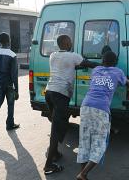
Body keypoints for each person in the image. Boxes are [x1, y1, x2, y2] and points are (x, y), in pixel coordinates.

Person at [43, 35, 99, 175]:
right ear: (67, 43)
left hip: (49, 93)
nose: (72, 43)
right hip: (60, 95)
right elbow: (88, 63)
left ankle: (54, 152)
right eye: (70, 41)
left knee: (56, 124)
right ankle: (49, 165)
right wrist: (104, 65)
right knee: (57, 129)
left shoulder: (53, 56)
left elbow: (71, 66)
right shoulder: (73, 56)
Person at [76, 51, 129, 180]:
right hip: (101, 109)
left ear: (103, 61)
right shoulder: (118, 72)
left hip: (85, 106)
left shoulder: (96, 70)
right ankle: (83, 174)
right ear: (115, 62)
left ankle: (82, 175)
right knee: (100, 144)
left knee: (85, 141)